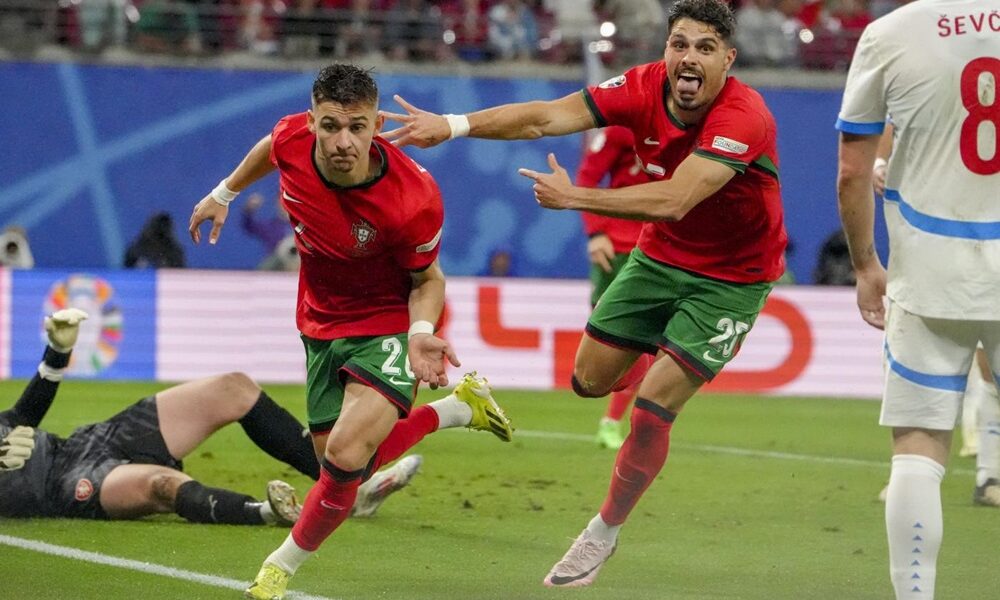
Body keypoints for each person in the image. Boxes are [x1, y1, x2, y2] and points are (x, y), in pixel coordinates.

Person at [383, 0, 787, 588]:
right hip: (661, 256)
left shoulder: (744, 116)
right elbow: (547, 117)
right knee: (588, 381)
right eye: (679, 44)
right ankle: (660, 353)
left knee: (651, 409)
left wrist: (574, 199)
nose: (689, 57)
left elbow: (677, 198)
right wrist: (454, 124)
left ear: (728, 59)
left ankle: (603, 531)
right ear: (665, 50)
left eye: (705, 48)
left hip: (732, 278)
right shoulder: (641, 86)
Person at [187, 64, 514, 600]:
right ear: (311, 121)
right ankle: (458, 409)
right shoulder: (292, 138)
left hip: (388, 320)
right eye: (331, 126)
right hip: (320, 320)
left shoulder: (413, 196)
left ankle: (277, 569)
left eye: (358, 127)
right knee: (341, 467)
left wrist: (420, 332)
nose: (344, 142)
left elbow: (428, 279)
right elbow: (271, 148)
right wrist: (224, 193)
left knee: (344, 456)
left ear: (377, 125)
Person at [834, 0, 1000, 597]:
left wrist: (864, 264)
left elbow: (853, 172)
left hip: (929, 270)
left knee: (917, 452)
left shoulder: (889, 34)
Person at [0, 308, 309, 526]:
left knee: (233, 389)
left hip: (82, 444)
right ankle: (268, 512)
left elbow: (21, 417)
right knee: (162, 486)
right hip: (63, 487)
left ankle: (336, 477)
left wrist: (57, 353)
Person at [575, 125, 648, 450]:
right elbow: (586, 179)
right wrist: (595, 232)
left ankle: (614, 422)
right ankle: (611, 414)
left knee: (648, 344)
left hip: (660, 247)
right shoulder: (622, 130)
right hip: (617, 249)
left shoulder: (689, 127)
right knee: (611, 343)